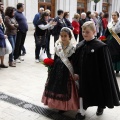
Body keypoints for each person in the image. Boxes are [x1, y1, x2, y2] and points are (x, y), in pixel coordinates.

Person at [73, 21, 120, 120]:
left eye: (87, 32)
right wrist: (76, 72)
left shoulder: (101, 47)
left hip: (97, 77)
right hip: (84, 77)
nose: (84, 34)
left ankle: (101, 106)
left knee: (99, 92)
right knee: (83, 93)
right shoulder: (80, 45)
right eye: (83, 32)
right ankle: (82, 110)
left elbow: (105, 65)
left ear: (94, 32)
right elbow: (76, 60)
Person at [42, 27, 79, 111]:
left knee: (65, 88)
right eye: (61, 36)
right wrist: (51, 67)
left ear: (69, 36)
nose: (63, 38)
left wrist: (75, 72)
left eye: (65, 36)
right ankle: (55, 103)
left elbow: (75, 61)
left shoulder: (73, 47)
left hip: (67, 71)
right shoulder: (58, 45)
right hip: (57, 69)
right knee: (55, 86)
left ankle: (64, 106)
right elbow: (55, 57)